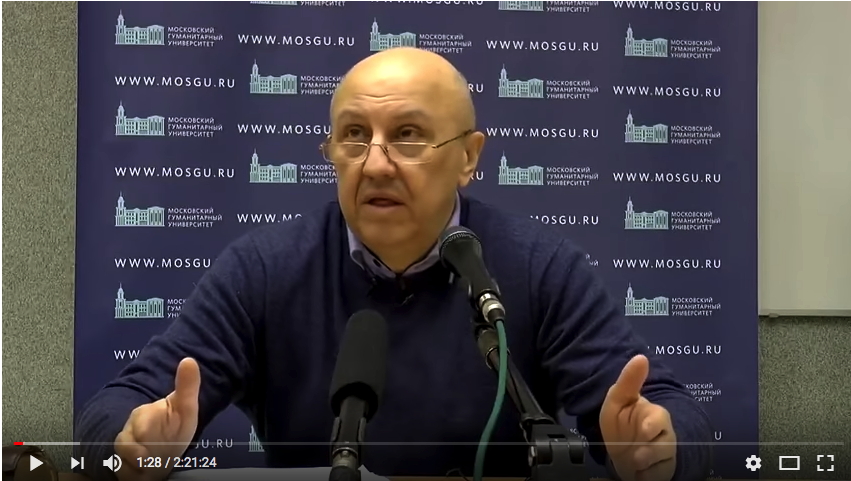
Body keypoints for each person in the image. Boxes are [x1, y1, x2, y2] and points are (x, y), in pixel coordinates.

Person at [75, 47, 713, 481]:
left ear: (468, 156)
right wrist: (130, 447)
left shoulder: (537, 267)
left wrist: (659, 447)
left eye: (407, 135)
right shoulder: (266, 270)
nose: (376, 163)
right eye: (354, 135)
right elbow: (116, 408)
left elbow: (671, 413)